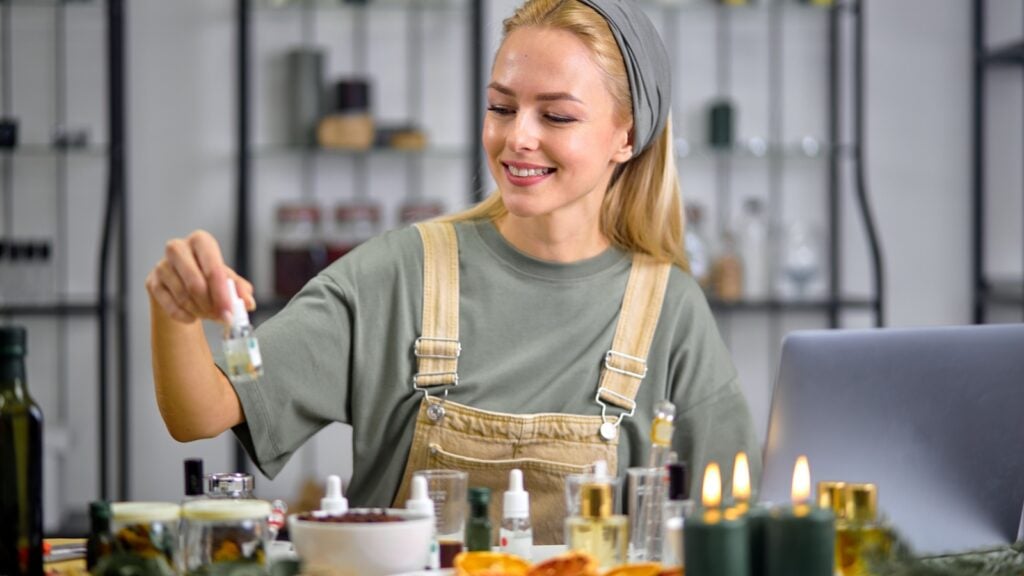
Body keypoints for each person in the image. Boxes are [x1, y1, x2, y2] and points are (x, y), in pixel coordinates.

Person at [146, 0, 760, 544]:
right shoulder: (401, 272)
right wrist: (174, 316)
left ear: (625, 136)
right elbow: (199, 413)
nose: (517, 137)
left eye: (557, 117)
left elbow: (732, 517)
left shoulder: (668, 308)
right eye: (501, 106)